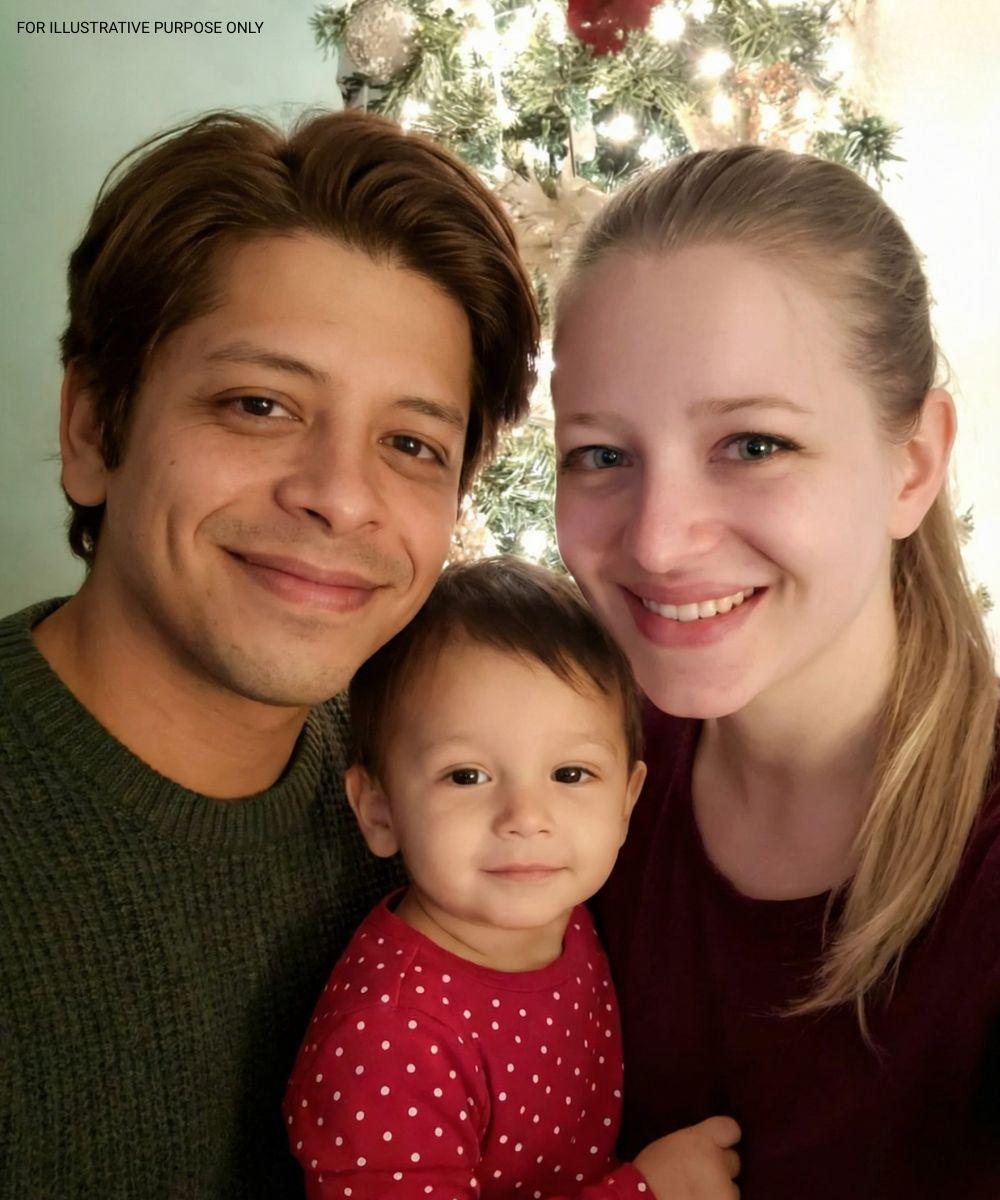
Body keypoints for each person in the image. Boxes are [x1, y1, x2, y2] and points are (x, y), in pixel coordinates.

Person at [0, 109, 539, 1198]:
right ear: (94, 429)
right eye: (259, 404)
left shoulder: (445, 799)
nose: (340, 496)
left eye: (410, 444)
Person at [550, 144, 1000, 1200]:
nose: (658, 542)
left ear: (913, 464)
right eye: (602, 455)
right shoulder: (557, 775)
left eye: (753, 445)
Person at [284, 556, 742, 1200]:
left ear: (627, 803)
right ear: (379, 811)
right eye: (466, 776)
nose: (526, 818)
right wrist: (645, 1193)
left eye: (571, 774)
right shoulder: (391, 1039)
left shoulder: (567, 912)